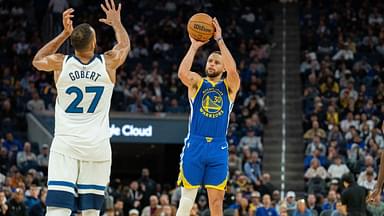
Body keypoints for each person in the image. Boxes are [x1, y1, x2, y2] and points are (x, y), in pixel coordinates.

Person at [31, 0, 130, 215]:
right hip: (98, 146)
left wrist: (63, 34)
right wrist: (116, 24)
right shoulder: (108, 62)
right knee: (91, 213)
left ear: (74, 44)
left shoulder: (60, 62)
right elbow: (124, 47)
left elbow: (37, 60)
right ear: (94, 43)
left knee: (57, 211)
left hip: (66, 145)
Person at [175, 17, 240, 216]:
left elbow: (233, 70)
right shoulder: (197, 82)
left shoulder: (229, 87)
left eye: (216, 62)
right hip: (195, 143)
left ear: (223, 68)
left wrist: (219, 39)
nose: (211, 64)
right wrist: (194, 47)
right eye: (210, 60)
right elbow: (182, 73)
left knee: (217, 202)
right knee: (187, 198)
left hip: (218, 147)